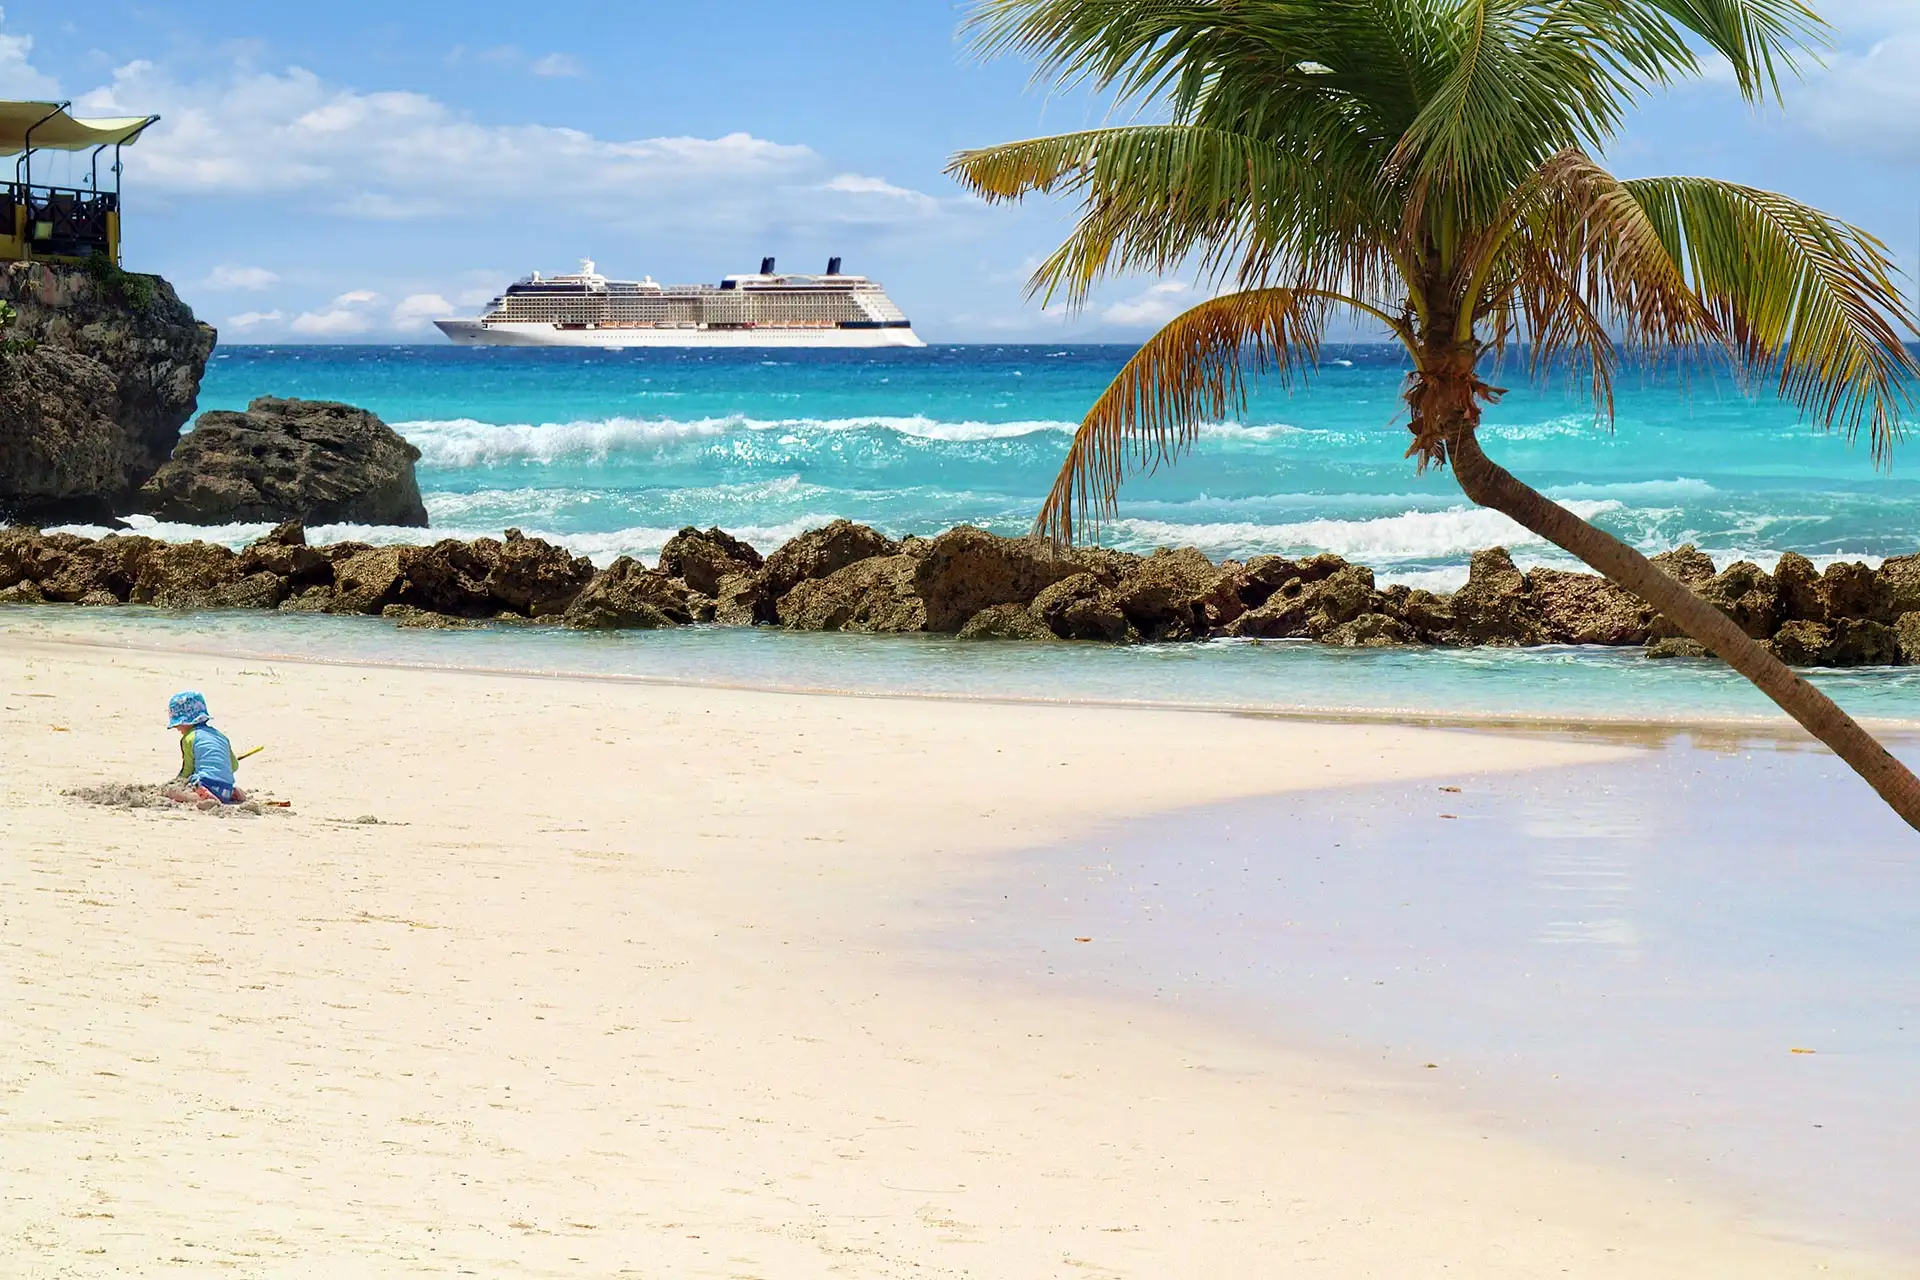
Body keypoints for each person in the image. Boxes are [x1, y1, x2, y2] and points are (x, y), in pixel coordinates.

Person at [165, 691, 247, 805]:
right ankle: (234, 793)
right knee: (222, 787)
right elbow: (234, 766)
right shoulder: (221, 736)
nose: (177, 729)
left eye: (178, 725)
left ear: (185, 722)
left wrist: (177, 782)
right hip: (226, 789)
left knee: (173, 793)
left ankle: (200, 798)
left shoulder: (189, 738)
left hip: (207, 784)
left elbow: (188, 769)